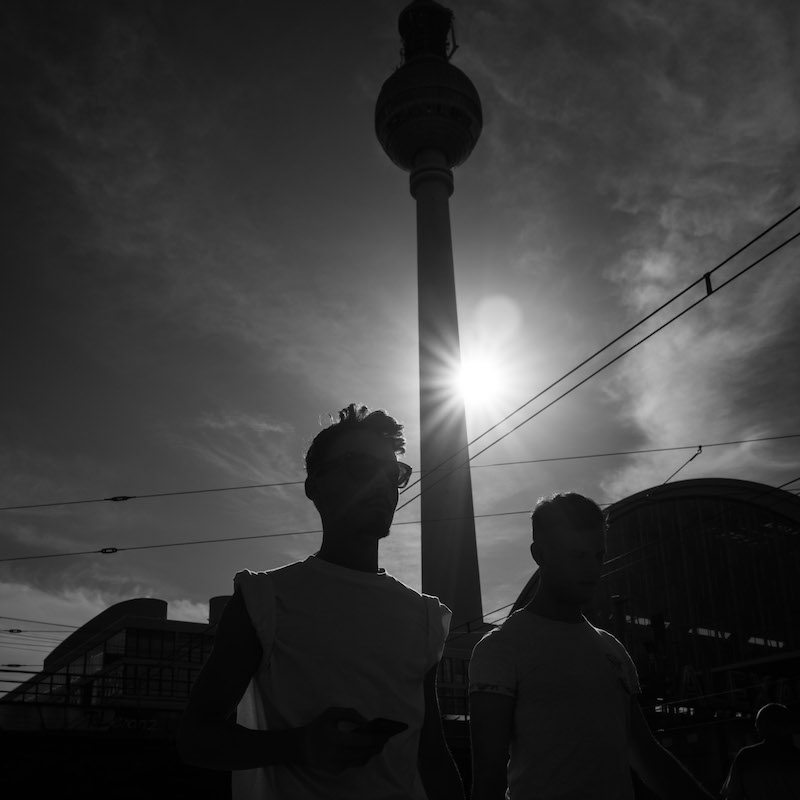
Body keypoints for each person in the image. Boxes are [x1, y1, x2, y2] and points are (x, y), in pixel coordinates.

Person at [178, 403, 464, 800]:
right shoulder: (265, 600)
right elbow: (195, 738)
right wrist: (298, 745)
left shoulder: (426, 617)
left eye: (393, 473)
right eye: (361, 466)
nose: (382, 483)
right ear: (315, 485)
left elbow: (431, 753)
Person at [468, 492, 713, 800]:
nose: (592, 568)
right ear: (539, 554)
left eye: (598, 555)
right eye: (578, 555)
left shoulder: (612, 650)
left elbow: (646, 754)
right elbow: (488, 778)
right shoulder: (501, 649)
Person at [721, 702, 800, 799]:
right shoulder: (796, 757)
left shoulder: (746, 757)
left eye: (757, 724)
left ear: (760, 727)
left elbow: (732, 796)